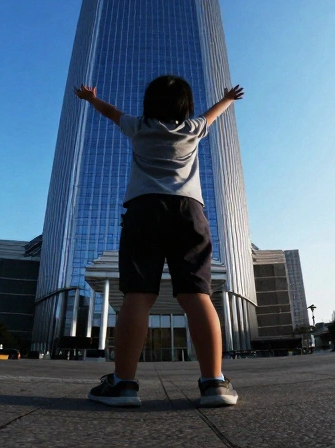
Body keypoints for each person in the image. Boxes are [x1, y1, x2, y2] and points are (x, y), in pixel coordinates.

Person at [75, 75, 244, 408]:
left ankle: (124, 385)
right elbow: (213, 114)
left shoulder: (138, 127)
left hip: (145, 210)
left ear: (148, 104)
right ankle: (214, 384)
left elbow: (110, 112)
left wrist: (91, 98)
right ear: (185, 105)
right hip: (189, 211)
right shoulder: (193, 128)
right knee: (197, 294)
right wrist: (228, 99)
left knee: (138, 294)